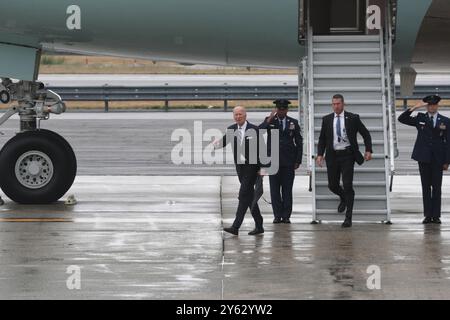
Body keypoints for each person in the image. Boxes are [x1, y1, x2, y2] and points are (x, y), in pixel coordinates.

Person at [316, 94, 373, 228]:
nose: (336, 106)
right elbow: (322, 139)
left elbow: (366, 134)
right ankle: (343, 198)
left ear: (343, 104)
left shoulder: (353, 118)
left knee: (348, 185)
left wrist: (368, 150)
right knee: (332, 185)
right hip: (332, 156)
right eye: (334, 104)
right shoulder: (327, 119)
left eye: (338, 104)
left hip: (347, 155)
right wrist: (320, 154)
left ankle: (348, 218)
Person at [398, 95, 450, 224]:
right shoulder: (420, 118)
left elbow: (448, 142)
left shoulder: (445, 120)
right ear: (426, 106)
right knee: (426, 187)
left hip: (438, 159)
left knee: (437, 188)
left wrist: (447, 161)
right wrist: (415, 107)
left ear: (437, 106)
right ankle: (427, 215)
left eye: (434, 105)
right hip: (423, 157)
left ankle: (436, 216)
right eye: (429, 105)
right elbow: (402, 119)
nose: (432, 107)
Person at [214, 106, 264, 236]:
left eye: (240, 114)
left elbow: (263, 149)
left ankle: (236, 226)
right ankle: (259, 225)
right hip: (240, 168)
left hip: (253, 168)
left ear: (245, 115)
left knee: (243, 195)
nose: (238, 117)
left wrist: (263, 168)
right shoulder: (231, 129)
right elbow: (223, 143)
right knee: (249, 196)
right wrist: (216, 144)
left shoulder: (254, 129)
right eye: (235, 115)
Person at [259, 99, 303, 224]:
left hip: (289, 162)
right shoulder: (270, 120)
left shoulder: (293, 122)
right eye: (279, 109)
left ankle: (286, 216)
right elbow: (260, 131)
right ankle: (277, 215)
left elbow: (299, 142)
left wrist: (298, 160)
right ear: (276, 109)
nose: (281, 111)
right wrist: (269, 119)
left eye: (283, 109)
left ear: (287, 110)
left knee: (287, 190)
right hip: (273, 161)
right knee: (274, 190)